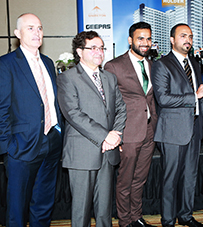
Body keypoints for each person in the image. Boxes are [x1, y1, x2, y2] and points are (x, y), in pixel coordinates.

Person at [57, 31, 127, 227]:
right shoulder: (68, 78)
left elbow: (121, 109)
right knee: (81, 212)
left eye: (102, 48)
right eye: (93, 48)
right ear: (80, 51)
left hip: (108, 152)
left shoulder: (109, 78)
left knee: (104, 211)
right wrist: (105, 136)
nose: (99, 52)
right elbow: (73, 114)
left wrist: (115, 136)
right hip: (82, 153)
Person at [0, 13, 63, 226]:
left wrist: (57, 133)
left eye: (39, 28)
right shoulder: (6, 64)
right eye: (30, 28)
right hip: (21, 147)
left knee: (43, 204)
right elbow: (2, 108)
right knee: (17, 208)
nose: (37, 32)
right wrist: (7, 146)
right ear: (17, 34)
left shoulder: (47, 62)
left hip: (51, 142)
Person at [151, 23, 203, 227]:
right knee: (171, 178)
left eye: (191, 36)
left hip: (194, 128)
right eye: (183, 35)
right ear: (172, 39)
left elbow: (201, 98)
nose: (188, 40)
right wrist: (195, 95)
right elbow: (164, 99)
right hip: (173, 130)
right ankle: (168, 220)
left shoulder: (194, 63)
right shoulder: (161, 64)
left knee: (190, 176)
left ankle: (185, 215)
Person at [104, 22, 157, 227]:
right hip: (127, 132)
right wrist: (114, 134)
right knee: (125, 180)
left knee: (140, 179)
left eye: (148, 38)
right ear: (130, 40)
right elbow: (108, 104)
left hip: (149, 131)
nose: (145, 43)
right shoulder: (114, 66)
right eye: (140, 38)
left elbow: (150, 99)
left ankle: (136, 217)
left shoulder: (152, 64)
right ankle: (125, 221)